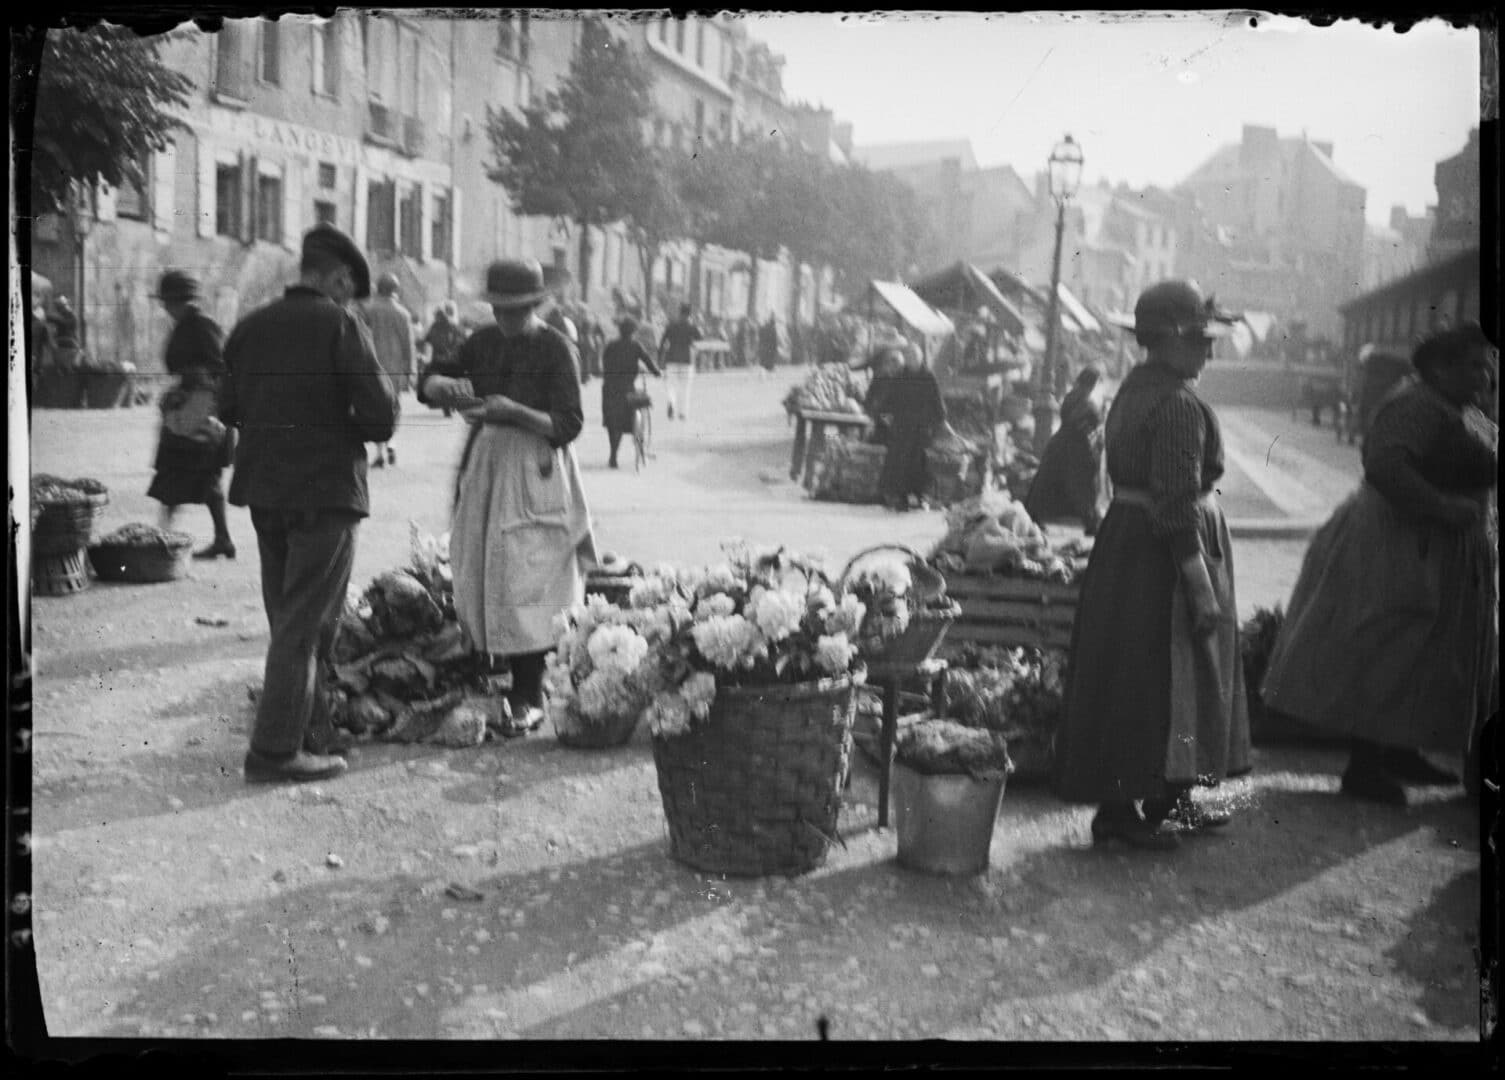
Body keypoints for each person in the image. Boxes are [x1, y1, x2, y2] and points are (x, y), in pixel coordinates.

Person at [1260, 323, 1498, 804]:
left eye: (1489, 364)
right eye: (1473, 365)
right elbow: (1386, 466)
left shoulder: (1465, 411)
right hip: (1395, 541)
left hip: (1437, 542)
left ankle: (1401, 749)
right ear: (1438, 368)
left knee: (1427, 650)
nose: (1486, 374)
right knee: (1389, 645)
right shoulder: (1415, 405)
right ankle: (1365, 766)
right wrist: (1444, 507)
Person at [1053, 280, 1250, 849]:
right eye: (1200, 341)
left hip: (1127, 547)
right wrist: (1200, 586)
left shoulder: (1135, 389)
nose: (1209, 353)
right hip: (1163, 558)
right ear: (1168, 341)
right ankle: (1119, 815)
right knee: (1157, 678)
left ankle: (1173, 795)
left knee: (1132, 674)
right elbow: (1173, 502)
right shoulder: (1178, 405)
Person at [220, 223, 399, 784]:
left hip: (266, 491)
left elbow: (229, 408)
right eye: (350, 287)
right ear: (340, 278)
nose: (351, 297)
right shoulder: (341, 323)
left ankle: (309, 730)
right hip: (326, 492)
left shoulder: (250, 327)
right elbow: (381, 418)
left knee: (290, 619)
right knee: (308, 623)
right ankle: (274, 752)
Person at [418, 258, 598, 730]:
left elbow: (569, 423)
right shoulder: (481, 341)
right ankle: (492, 658)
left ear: (534, 306)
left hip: (536, 461)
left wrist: (514, 409)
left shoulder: (556, 347)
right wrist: (440, 386)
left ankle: (528, 686)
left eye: (516, 310)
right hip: (488, 460)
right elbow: (434, 378)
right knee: (482, 559)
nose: (506, 319)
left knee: (530, 568)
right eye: (500, 309)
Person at [146, 271, 237, 559]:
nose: (164, 308)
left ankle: (171, 538)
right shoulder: (187, 325)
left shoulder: (201, 327)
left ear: (177, 302)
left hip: (201, 410)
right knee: (188, 473)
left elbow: (219, 368)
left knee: (195, 473)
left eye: (167, 302)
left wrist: (194, 388)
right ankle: (176, 536)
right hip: (187, 408)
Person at [1025, 365, 1108, 536]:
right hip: (1076, 449)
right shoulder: (1085, 401)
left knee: (1046, 481)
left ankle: (1033, 517)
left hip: (1060, 444)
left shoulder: (1072, 396)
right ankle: (1091, 523)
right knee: (1081, 488)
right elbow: (1092, 421)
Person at [864, 343, 946, 512]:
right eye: (909, 358)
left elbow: (938, 406)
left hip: (921, 429)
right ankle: (898, 496)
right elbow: (888, 401)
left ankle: (920, 495)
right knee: (898, 463)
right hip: (901, 428)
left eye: (914, 358)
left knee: (919, 463)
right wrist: (884, 418)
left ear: (920, 359)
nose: (911, 361)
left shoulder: (928, 377)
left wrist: (933, 422)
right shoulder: (901, 377)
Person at [364, 272, 414, 467]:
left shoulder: (368, 311)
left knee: (376, 407)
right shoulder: (403, 314)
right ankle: (391, 442)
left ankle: (379, 452)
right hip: (395, 369)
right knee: (394, 407)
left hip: (372, 366)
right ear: (396, 290)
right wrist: (410, 370)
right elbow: (408, 344)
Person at [601, 315, 662, 468]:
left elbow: (604, 363)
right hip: (627, 389)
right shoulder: (636, 346)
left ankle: (613, 455)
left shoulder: (611, 345)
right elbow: (648, 361)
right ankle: (636, 446)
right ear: (633, 332)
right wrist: (656, 372)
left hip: (609, 389)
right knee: (627, 418)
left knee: (612, 423)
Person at [421, 300, 467, 418]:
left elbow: (426, 339)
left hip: (439, 360)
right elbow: (464, 341)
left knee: (438, 381)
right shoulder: (456, 326)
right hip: (454, 361)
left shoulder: (435, 326)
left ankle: (445, 405)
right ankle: (450, 404)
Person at [658, 302, 701, 420]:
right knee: (685, 388)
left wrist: (659, 357)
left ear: (679, 312)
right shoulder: (691, 327)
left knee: (671, 385)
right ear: (689, 314)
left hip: (671, 359)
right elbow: (699, 338)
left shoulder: (671, 326)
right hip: (686, 360)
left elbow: (662, 342)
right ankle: (682, 413)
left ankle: (671, 401)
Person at [758, 314, 781, 379]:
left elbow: (760, 339)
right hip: (771, 348)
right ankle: (772, 376)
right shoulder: (773, 329)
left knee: (763, 362)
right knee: (771, 363)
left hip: (763, 347)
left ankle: (763, 375)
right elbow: (775, 340)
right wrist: (776, 348)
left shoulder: (762, 328)